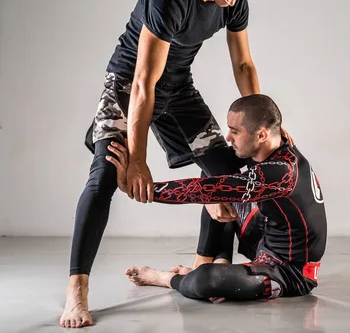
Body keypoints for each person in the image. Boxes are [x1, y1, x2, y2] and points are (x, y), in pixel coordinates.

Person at [60, 0, 293, 329]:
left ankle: (204, 271)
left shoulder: (234, 3)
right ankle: (76, 291)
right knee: (104, 177)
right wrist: (137, 159)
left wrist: (266, 125)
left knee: (228, 175)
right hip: (127, 86)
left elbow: (244, 66)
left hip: (178, 90)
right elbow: (142, 83)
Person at [107, 94, 327, 303]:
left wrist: (142, 188)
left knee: (207, 280)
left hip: (290, 272)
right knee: (215, 172)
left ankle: (166, 278)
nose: (228, 137)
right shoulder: (273, 144)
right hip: (264, 240)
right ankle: (220, 262)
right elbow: (213, 177)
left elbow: (201, 189)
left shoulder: (282, 173)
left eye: (235, 131)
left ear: (261, 135)